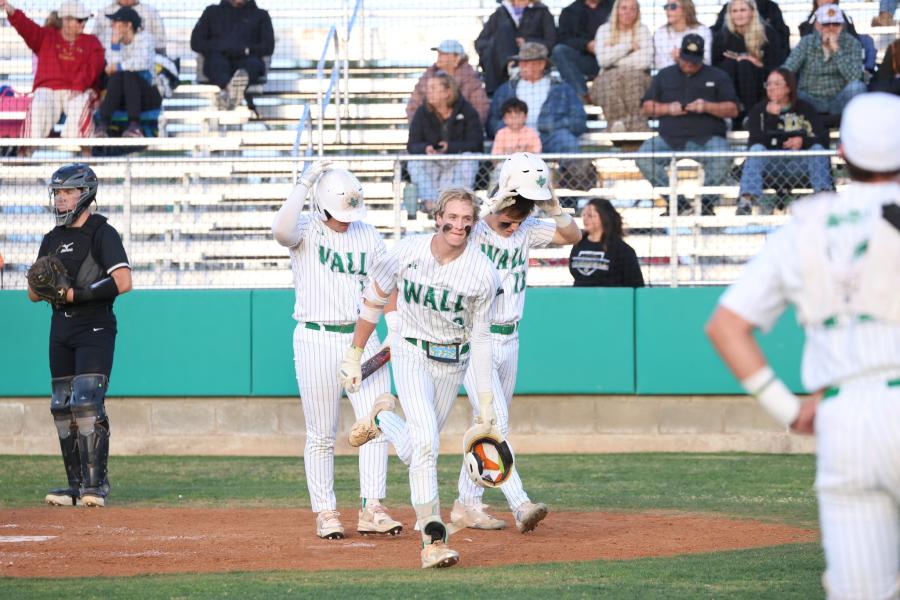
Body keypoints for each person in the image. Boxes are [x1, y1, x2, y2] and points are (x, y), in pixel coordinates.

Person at [706, 92, 900, 600]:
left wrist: (790, 411)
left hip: (845, 415)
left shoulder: (806, 226)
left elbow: (726, 327)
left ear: (841, 156)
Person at [338, 187, 502, 569]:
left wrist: (486, 399)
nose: (458, 225)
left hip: (453, 360)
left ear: (474, 225)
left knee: (417, 449)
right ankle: (433, 540)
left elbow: (480, 337)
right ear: (438, 216)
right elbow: (376, 297)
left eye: (467, 219)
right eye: (453, 217)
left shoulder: (482, 273)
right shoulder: (407, 251)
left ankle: (382, 419)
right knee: (427, 444)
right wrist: (354, 353)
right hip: (410, 351)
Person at [270, 161, 403, 540]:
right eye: (339, 211)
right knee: (321, 433)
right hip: (315, 335)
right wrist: (304, 182)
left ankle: (372, 506)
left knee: (376, 422)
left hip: (364, 337)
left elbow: (386, 283)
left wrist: (392, 328)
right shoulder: (306, 230)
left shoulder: (368, 234)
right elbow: (280, 230)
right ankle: (325, 511)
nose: (346, 218)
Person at [450, 153, 582, 531]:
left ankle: (466, 504)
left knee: (486, 421)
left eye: (520, 220)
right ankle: (520, 504)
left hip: (511, 338)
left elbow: (572, 237)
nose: (513, 227)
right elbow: (451, 228)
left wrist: (554, 207)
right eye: (508, 220)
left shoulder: (524, 229)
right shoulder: (474, 228)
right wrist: (490, 208)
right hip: (477, 338)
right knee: (498, 423)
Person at [28, 163, 132, 508]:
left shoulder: (103, 232)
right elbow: (32, 293)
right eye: (57, 193)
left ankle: (96, 485)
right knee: (62, 406)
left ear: (84, 193)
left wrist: (75, 294)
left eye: (67, 192)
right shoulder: (51, 239)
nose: (60, 199)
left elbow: (122, 282)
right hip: (61, 327)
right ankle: (75, 487)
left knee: (87, 400)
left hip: (95, 326)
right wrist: (44, 286)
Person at [637, 34, 739, 216]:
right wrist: (668, 109)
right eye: (686, 60)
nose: (689, 64)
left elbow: (733, 109)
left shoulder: (717, 76)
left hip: (707, 138)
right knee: (644, 156)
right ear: (680, 55)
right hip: (670, 138)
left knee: (723, 155)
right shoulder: (664, 75)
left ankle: (706, 204)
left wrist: (706, 107)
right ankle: (677, 202)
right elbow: (646, 108)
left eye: (694, 61)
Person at [1, 0, 104, 138]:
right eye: (79, 20)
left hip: (78, 90)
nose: (83, 23)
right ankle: (25, 151)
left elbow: (94, 66)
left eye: (85, 20)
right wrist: (9, 8)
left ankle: (80, 148)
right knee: (39, 103)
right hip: (48, 90)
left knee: (81, 102)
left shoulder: (91, 41)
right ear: (66, 20)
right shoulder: (46, 37)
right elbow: (26, 26)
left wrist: (79, 86)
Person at [738, 68, 833, 215]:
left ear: (788, 87)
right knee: (757, 149)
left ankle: (824, 201)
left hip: (800, 164)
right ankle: (746, 202)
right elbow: (754, 142)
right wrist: (772, 118)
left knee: (817, 149)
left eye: (776, 84)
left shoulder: (805, 108)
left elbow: (822, 138)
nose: (771, 88)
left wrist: (803, 142)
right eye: (768, 84)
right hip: (772, 166)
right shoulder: (759, 110)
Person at [488, 42, 587, 155]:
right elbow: (492, 122)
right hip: (515, 140)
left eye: (527, 62)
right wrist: (511, 127)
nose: (522, 66)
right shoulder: (506, 90)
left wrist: (552, 125)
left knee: (567, 141)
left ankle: (575, 173)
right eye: (521, 62)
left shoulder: (562, 89)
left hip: (550, 138)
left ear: (541, 64)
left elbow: (579, 121)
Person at [407, 73, 484, 215]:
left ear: (448, 92)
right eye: (428, 88)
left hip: (457, 159)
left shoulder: (467, 111)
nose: (428, 92)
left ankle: (456, 204)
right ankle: (431, 204)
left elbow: (476, 143)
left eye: (434, 88)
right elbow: (412, 145)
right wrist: (426, 148)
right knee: (414, 162)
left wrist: (450, 147)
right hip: (433, 161)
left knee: (469, 159)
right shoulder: (421, 112)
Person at [783, 5, 865, 120]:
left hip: (838, 101)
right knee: (785, 85)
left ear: (842, 26)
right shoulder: (806, 42)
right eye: (826, 24)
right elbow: (788, 68)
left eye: (836, 24)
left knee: (857, 87)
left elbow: (855, 77)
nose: (831, 28)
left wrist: (836, 49)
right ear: (817, 25)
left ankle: (857, 129)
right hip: (809, 100)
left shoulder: (852, 43)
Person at [712, 0, 786, 126]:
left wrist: (757, 63)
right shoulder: (721, 36)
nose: (739, 15)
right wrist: (735, 60)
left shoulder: (768, 33)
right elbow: (714, 66)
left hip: (759, 84)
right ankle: (731, 114)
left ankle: (750, 116)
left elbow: (777, 66)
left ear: (752, 12)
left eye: (743, 10)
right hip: (731, 82)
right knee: (729, 64)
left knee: (745, 66)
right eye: (734, 11)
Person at [190, 0, 274, 110]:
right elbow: (196, 42)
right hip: (218, 60)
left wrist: (246, 50)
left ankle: (231, 94)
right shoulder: (212, 12)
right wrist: (221, 48)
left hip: (248, 61)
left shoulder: (261, 15)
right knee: (216, 64)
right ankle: (232, 90)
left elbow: (268, 46)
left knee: (252, 66)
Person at [94, 6, 161, 138]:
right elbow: (112, 66)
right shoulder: (113, 40)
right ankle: (103, 124)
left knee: (128, 75)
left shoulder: (145, 38)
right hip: (121, 95)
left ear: (128, 25)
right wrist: (115, 46)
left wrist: (119, 67)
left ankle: (134, 125)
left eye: (116, 22)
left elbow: (141, 63)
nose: (112, 25)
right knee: (119, 76)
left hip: (146, 95)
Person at [589, 0, 653, 132]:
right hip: (607, 78)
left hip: (638, 77)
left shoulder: (643, 30)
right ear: (616, 10)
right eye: (624, 8)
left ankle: (627, 126)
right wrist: (629, 47)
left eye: (632, 9)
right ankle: (620, 125)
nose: (628, 13)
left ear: (637, 12)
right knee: (612, 80)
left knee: (629, 78)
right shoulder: (604, 30)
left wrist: (614, 57)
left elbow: (645, 61)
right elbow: (602, 60)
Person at [475, 0, 556, 95]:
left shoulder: (542, 11)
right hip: (500, 67)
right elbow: (480, 43)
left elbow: (551, 41)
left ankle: (513, 68)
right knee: (504, 30)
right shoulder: (500, 13)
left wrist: (526, 42)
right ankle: (511, 67)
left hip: (531, 56)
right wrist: (498, 44)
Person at [406, 40, 490, 127]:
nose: (439, 57)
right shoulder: (427, 77)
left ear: (456, 58)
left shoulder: (471, 80)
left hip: (461, 133)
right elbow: (413, 105)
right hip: (429, 131)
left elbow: (481, 109)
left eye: (443, 54)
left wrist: (465, 130)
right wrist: (419, 127)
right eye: (439, 54)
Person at [569, 198, 644, 286]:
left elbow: (636, 284)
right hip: (581, 297)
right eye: (584, 215)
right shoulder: (579, 244)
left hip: (609, 298)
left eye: (590, 215)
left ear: (604, 217)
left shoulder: (622, 250)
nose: (585, 219)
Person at [551, 0, 613, 100]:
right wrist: (586, 45)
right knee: (559, 51)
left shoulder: (616, 6)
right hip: (588, 59)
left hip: (614, 57)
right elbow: (564, 39)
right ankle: (584, 95)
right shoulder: (569, 11)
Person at [652, 0, 712, 70]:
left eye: (673, 6)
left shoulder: (702, 31)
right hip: (668, 77)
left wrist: (683, 59)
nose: (668, 10)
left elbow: (707, 63)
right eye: (666, 7)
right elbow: (658, 65)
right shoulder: (660, 33)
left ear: (686, 9)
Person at [93, 0, 166, 55]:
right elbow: (94, 39)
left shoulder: (151, 12)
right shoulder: (104, 12)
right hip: (110, 56)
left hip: (143, 57)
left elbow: (160, 43)